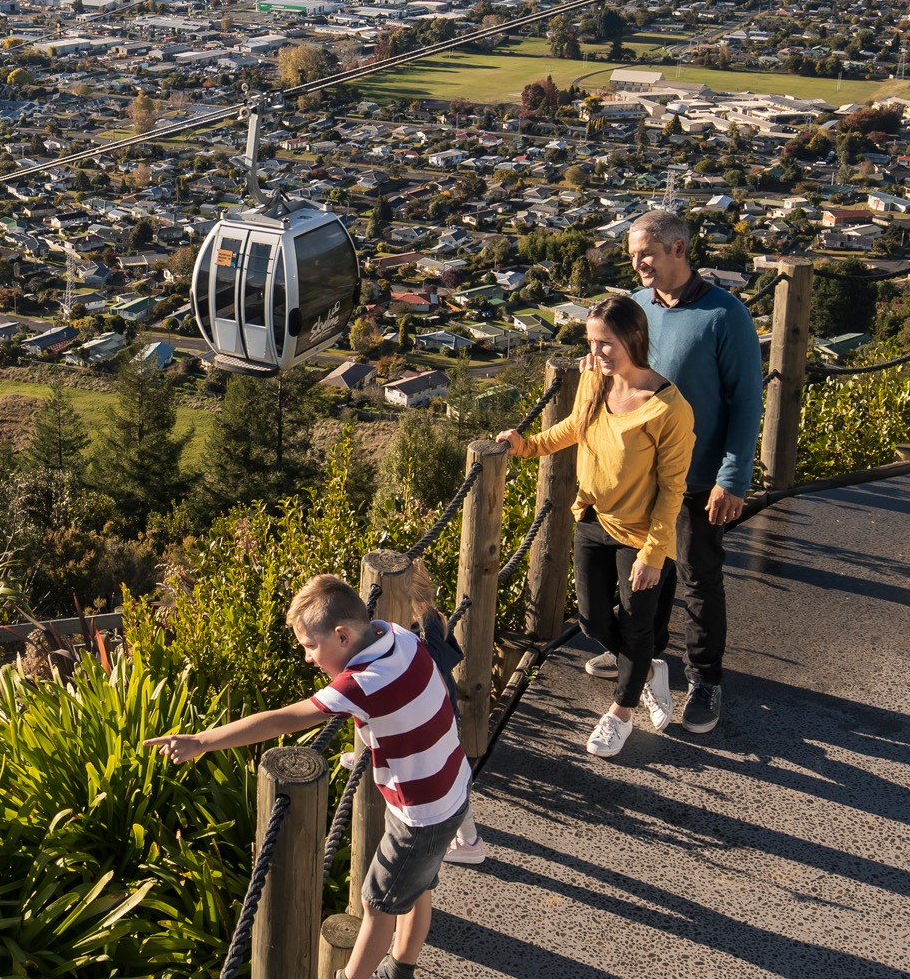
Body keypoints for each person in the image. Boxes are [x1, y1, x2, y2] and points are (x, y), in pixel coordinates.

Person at [146, 572, 468, 979]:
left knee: (377, 904)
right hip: (450, 785)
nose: (308, 657)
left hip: (420, 813)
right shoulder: (397, 635)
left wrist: (202, 741)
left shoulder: (361, 685)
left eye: (311, 646)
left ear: (343, 636)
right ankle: (400, 968)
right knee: (416, 888)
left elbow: (281, 720)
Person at [498, 293, 696, 757]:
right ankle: (648, 669)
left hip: (642, 533)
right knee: (591, 619)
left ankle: (620, 713)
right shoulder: (595, 381)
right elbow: (575, 425)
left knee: (636, 625)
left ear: (633, 338)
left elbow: (673, 490)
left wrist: (653, 553)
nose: (596, 353)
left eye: (605, 343)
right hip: (592, 517)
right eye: (591, 342)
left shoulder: (668, 410)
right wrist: (528, 447)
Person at [621, 207, 762, 734]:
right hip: (643, 474)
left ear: (678, 249)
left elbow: (747, 401)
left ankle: (705, 679)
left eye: (647, 255)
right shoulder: (635, 307)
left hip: (700, 477)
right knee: (645, 576)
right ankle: (643, 661)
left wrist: (733, 477)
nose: (639, 265)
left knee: (700, 580)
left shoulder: (726, 316)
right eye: (634, 257)